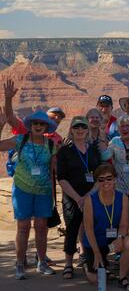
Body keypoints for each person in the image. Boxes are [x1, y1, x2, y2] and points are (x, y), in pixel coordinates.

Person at [0, 109, 58, 279]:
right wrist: (2, 123)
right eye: (35, 123)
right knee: (23, 227)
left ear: (46, 126)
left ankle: (41, 262)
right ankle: (19, 264)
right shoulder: (21, 140)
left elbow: (55, 169)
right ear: (31, 125)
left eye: (42, 124)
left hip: (43, 192)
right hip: (22, 190)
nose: (38, 126)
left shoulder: (51, 145)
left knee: (41, 228)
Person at [57, 116, 102, 280]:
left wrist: (88, 196)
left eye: (83, 127)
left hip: (92, 196)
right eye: (77, 127)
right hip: (72, 197)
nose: (80, 130)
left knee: (93, 229)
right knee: (72, 229)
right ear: (71, 130)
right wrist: (78, 198)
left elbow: (100, 175)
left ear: (87, 129)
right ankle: (68, 264)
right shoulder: (65, 151)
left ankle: (94, 262)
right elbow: (61, 178)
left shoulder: (93, 150)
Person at [82, 163, 129, 290]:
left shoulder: (122, 197)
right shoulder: (90, 200)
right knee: (96, 280)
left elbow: (124, 224)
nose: (105, 182)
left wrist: (120, 237)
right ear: (97, 182)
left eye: (109, 178)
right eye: (101, 179)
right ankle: (88, 264)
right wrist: (96, 253)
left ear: (115, 179)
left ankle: (122, 277)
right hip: (94, 242)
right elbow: (88, 229)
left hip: (112, 239)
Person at [102, 115, 129, 260]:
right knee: (122, 224)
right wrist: (101, 141)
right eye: (122, 126)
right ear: (118, 129)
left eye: (128, 126)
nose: (125, 129)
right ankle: (121, 254)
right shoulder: (114, 142)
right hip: (120, 191)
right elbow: (105, 157)